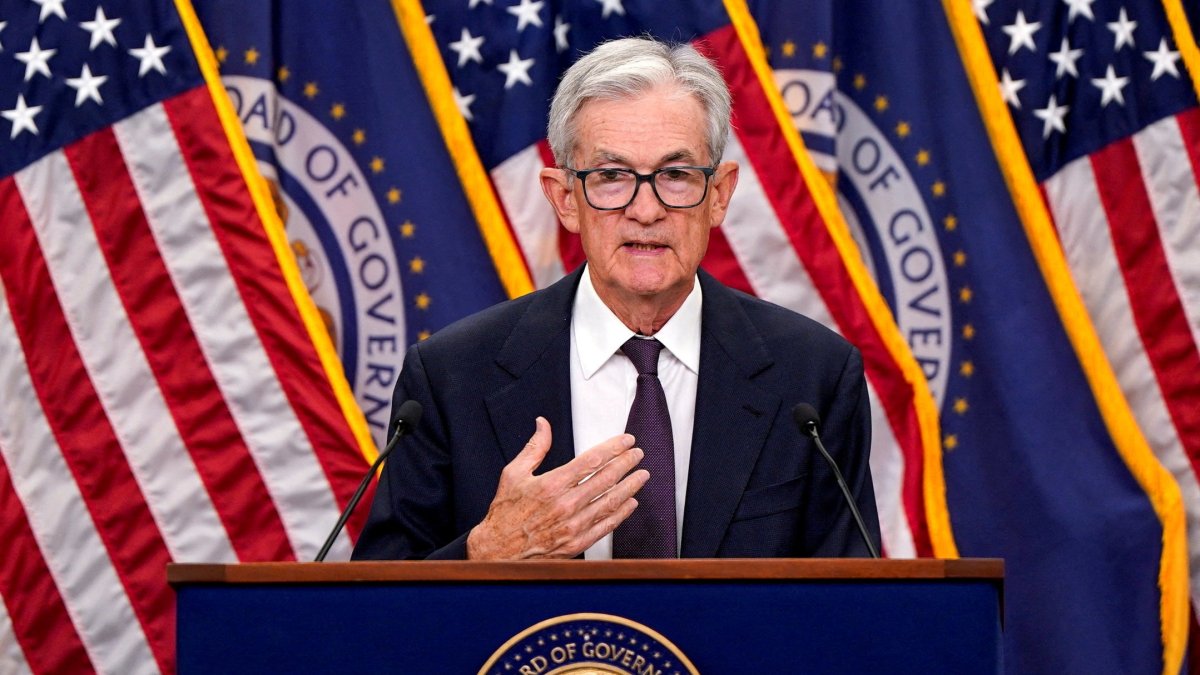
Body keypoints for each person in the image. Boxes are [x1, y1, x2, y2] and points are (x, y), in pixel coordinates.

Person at [352, 36, 880, 561]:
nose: (645, 210)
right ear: (565, 199)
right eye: (610, 177)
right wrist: (484, 554)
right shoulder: (451, 377)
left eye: (675, 175)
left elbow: (851, 610)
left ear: (718, 194)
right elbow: (375, 616)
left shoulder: (812, 378)